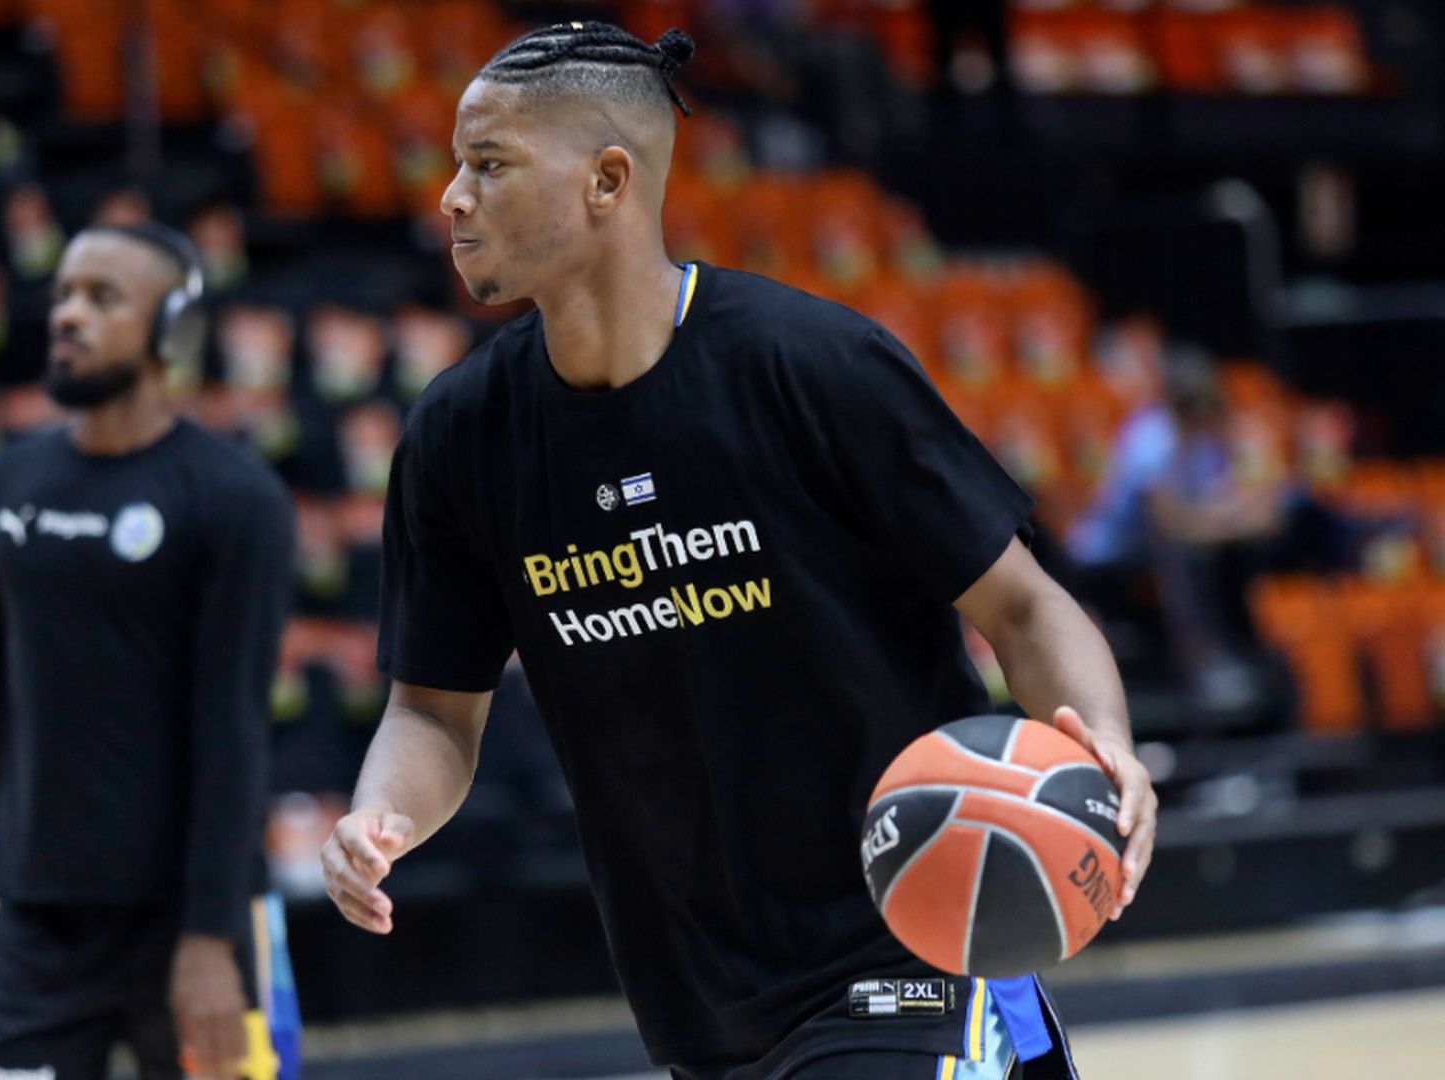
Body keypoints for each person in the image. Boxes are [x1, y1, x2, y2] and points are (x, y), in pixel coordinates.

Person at [321, 23, 1157, 1080]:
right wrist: (381, 814)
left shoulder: (814, 367)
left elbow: (1024, 606)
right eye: (457, 165)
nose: (451, 196)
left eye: (489, 164)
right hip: (695, 1000)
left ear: (608, 181)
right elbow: (433, 711)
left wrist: (1105, 744)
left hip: (910, 950)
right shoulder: (458, 437)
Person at [0, 221, 297, 1080]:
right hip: (36, 919)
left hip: (194, 919)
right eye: (64, 295)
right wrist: (7, 867)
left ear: (172, 328)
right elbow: (3, 704)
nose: (68, 316)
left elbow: (234, 728)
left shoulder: (237, 498)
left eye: (102, 298)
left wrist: (210, 937)